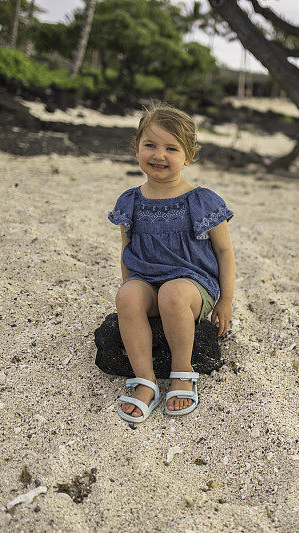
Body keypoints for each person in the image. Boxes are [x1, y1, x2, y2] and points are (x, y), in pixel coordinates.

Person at [108, 103, 235, 423]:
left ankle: (182, 372)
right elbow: (127, 248)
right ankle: (145, 380)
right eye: (149, 145)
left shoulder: (201, 200)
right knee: (127, 296)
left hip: (193, 288)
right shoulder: (130, 201)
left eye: (171, 148)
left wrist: (226, 300)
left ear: (188, 156)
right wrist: (132, 293)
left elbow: (224, 251)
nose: (158, 155)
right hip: (148, 281)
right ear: (136, 147)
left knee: (173, 294)